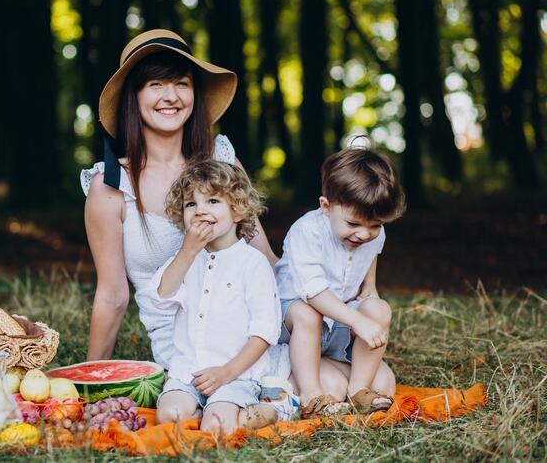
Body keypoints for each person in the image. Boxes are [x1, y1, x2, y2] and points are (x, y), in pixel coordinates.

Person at [80, 29, 278, 368]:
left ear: (194, 94)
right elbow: (113, 295)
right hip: (183, 347)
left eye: (182, 83)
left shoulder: (223, 162)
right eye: (155, 84)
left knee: (343, 379)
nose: (170, 96)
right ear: (134, 96)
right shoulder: (111, 186)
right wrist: (90, 377)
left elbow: (262, 253)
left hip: (249, 332)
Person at [138, 160, 281, 434]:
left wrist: (227, 372)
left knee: (219, 426)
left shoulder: (253, 263)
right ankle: (204, 406)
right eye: (191, 204)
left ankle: (273, 408)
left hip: (235, 374)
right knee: (169, 415)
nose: (200, 210)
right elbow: (162, 297)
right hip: (188, 372)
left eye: (213, 201)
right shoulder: (183, 259)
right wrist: (188, 251)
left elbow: (264, 332)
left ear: (238, 211)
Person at [274, 145, 406, 418]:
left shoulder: (373, 233)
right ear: (326, 206)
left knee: (379, 315)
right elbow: (314, 294)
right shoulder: (307, 231)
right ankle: (311, 393)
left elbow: (370, 255)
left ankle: (359, 389)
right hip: (293, 326)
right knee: (307, 312)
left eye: (375, 225)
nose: (364, 234)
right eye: (354, 224)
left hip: (336, 325)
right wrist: (357, 321)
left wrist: (369, 289)